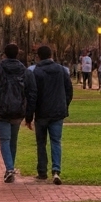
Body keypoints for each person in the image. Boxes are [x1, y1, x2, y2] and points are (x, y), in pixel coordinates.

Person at [0, 43, 34, 183]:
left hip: (2, 110)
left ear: (4, 54)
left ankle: (9, 168)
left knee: (4, 140)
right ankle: (10, 167)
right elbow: (31, 93)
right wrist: (29, 113)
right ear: (17, 54)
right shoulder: (25, 71)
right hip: (18, 110)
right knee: (13, 140)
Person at [25, 44, 73, 184]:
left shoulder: (36, 72)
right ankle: (56, 170)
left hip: (41, 112)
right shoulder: (61, 70)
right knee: (56, 141)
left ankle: (42, 172)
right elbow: (69, 90)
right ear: (51, 55)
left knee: (41, 143)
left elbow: (32, 95)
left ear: (38, 57)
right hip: (57, 112)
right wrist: (64, 105)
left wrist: (29, 116)